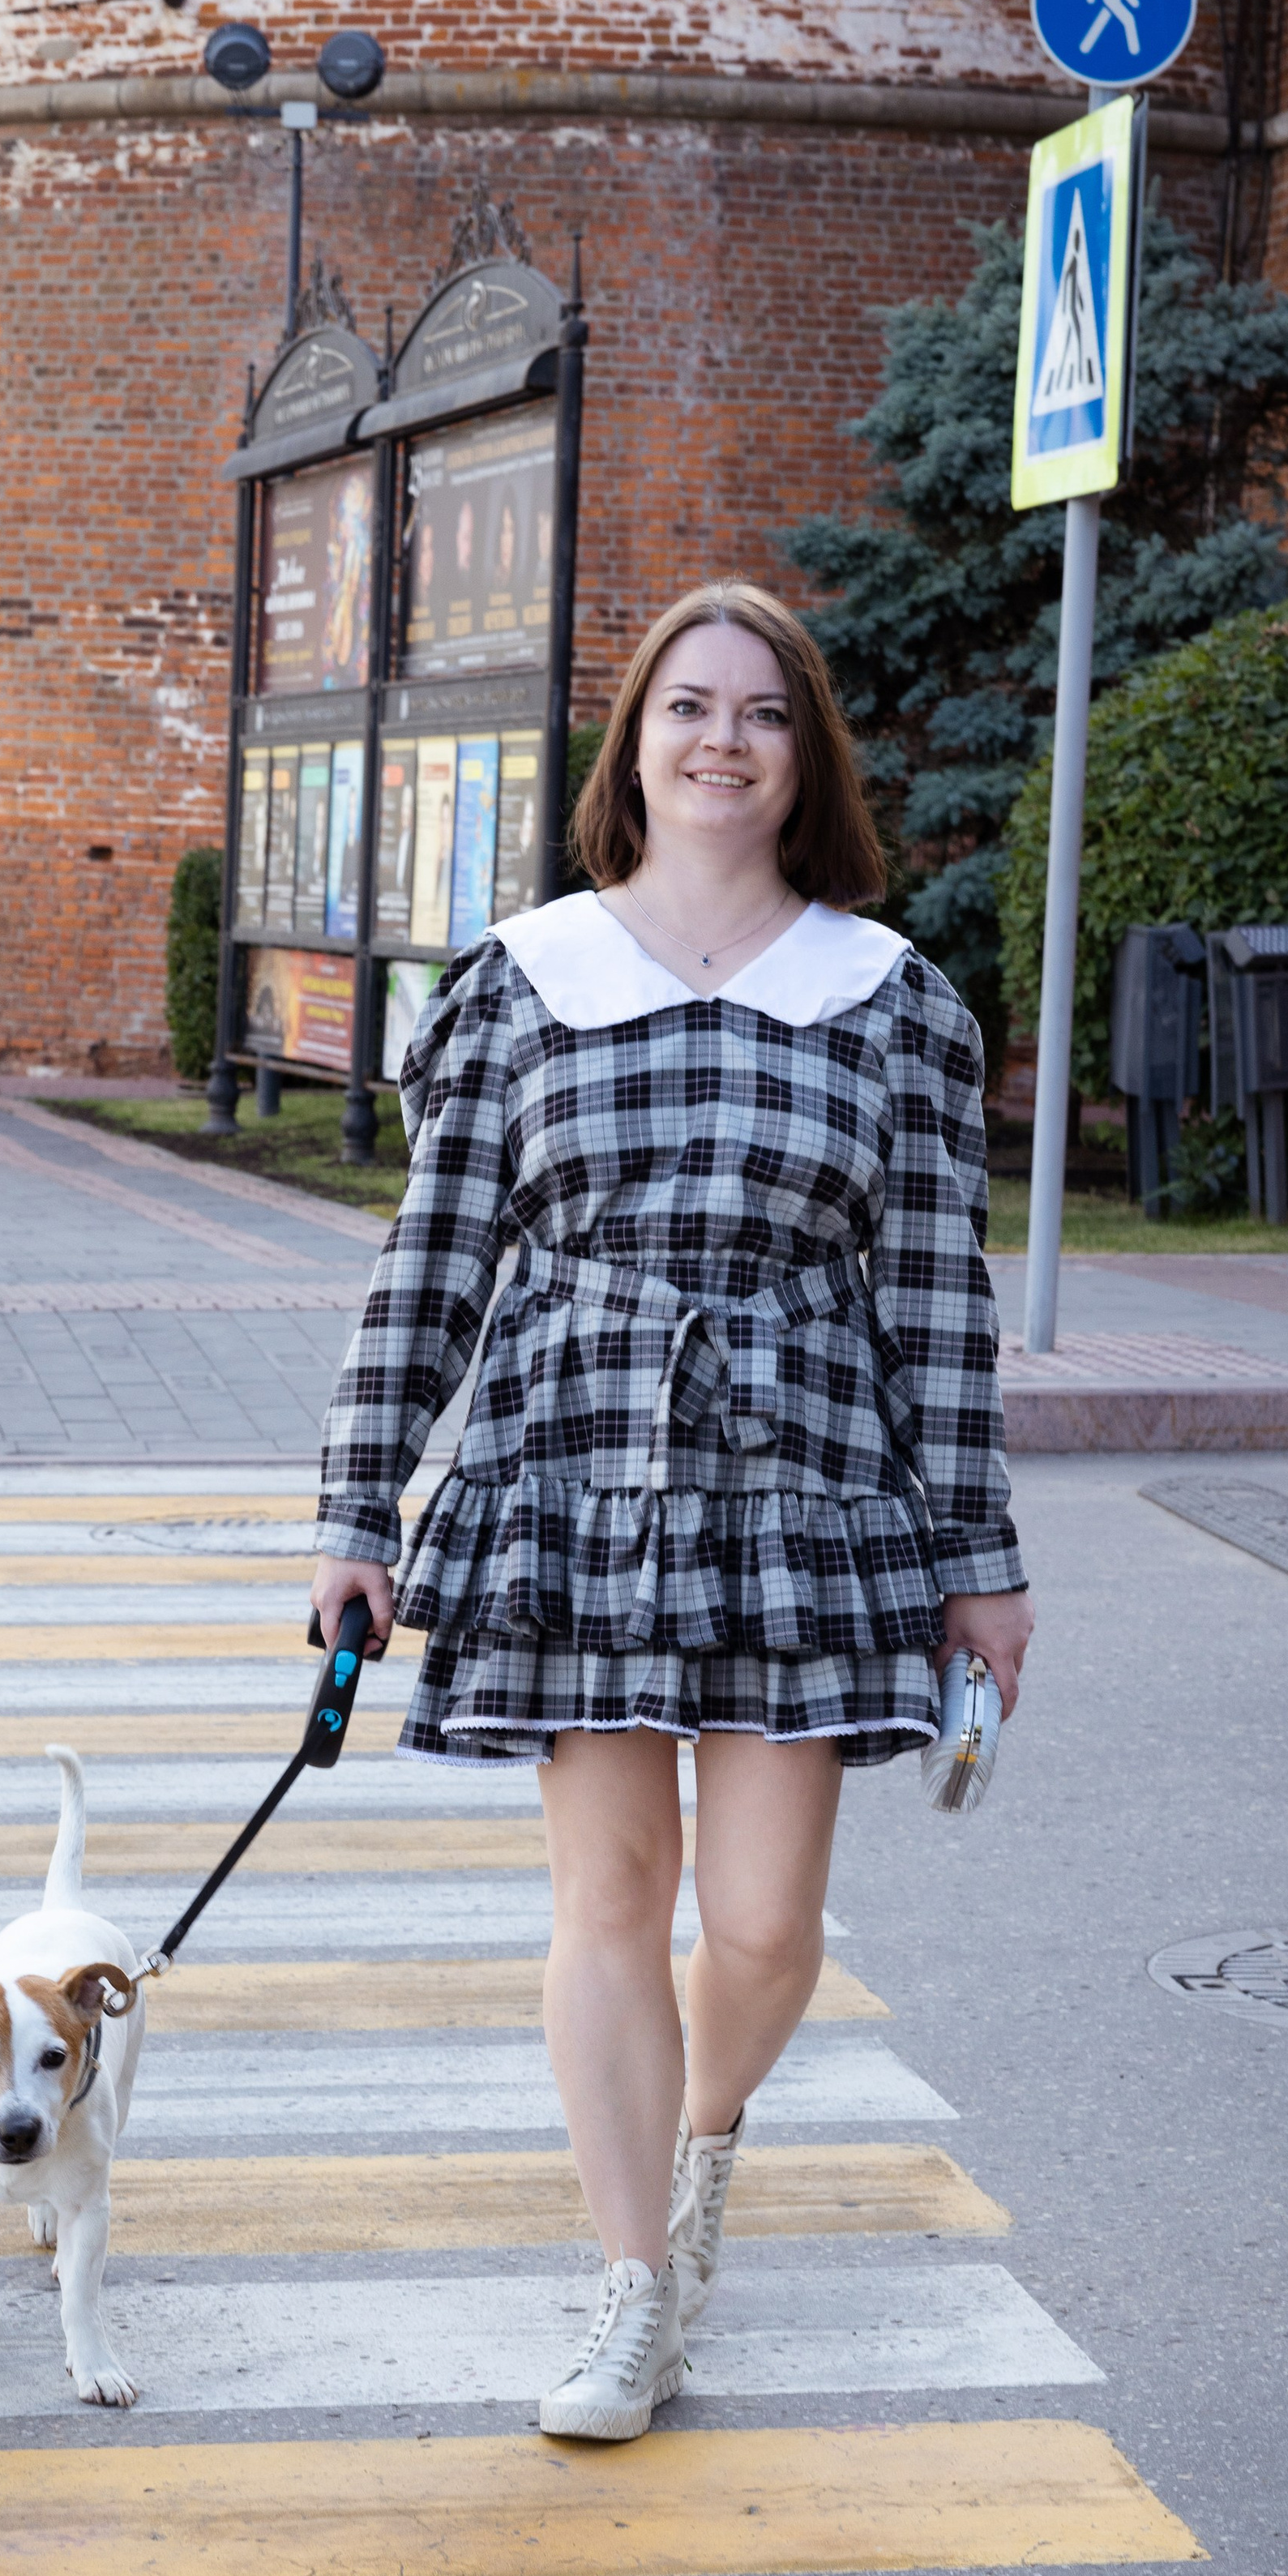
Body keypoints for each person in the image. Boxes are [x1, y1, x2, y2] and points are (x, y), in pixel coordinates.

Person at [309, 581, 1033, 2444]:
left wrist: (979, 1566)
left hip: (805, 1484)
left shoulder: (885, 997)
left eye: (761, 713)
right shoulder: (522, 979)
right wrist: (357, 1510)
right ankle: (632, 2285)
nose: (721, 740)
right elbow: (432, 1263)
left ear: (805, 757)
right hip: (572, 1471)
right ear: (631, 744)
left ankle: (699, 2141)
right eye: (687, 707)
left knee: (769, 1924)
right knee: (611, 1896)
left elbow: (935, 1304)